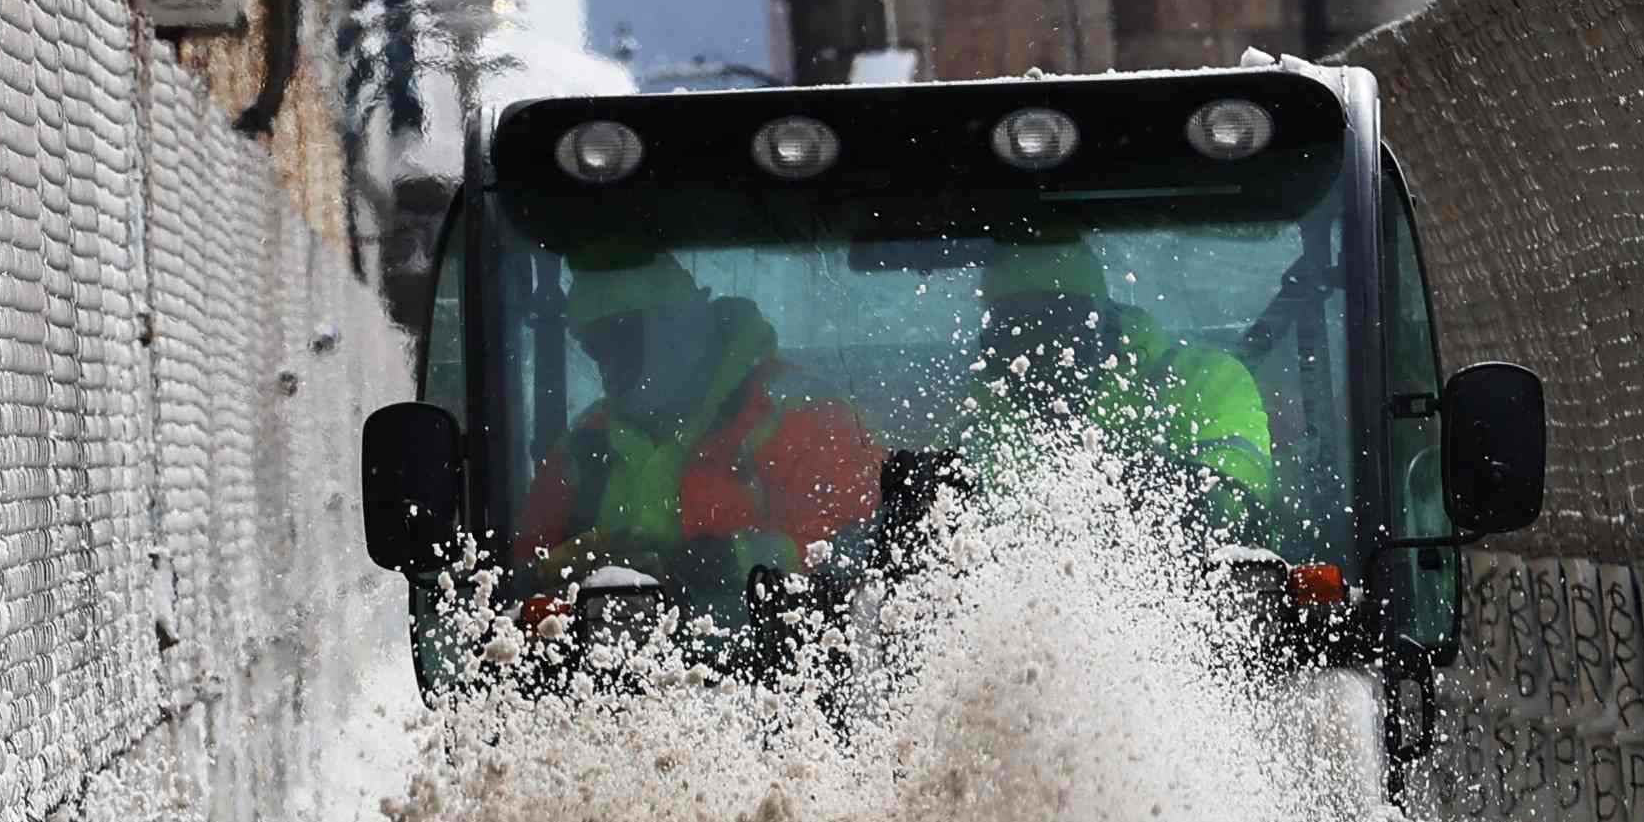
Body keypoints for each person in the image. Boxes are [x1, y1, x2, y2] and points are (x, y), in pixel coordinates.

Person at [518, 255, 889, 573]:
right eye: (595, 348)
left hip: (775, 649)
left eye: (621, 340)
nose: (607, 364)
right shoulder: (586, 446)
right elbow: (517, 583)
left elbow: (854, 552)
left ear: (675, 330)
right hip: (604, 653)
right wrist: (561, 571)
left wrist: (716, 562)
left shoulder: (804, 414)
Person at [970, 238, 1284, 533]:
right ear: (990, 345)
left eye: (1058, 325)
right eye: (1016, 329)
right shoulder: (980, 425)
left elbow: (1239, 500)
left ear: (1104, 328)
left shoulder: (1203, 382)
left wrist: (1156, 487)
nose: (1041, 349)